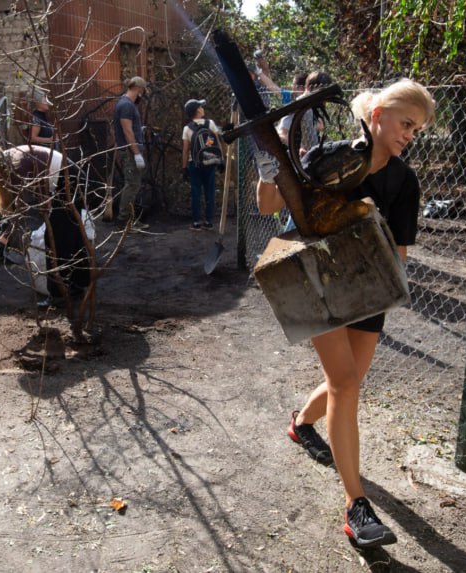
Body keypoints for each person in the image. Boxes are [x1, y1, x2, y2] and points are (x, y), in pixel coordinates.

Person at [256, 79, 435, 548]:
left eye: (416, 130)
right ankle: (357, 506)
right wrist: (266, 164)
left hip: (368, 287)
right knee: (345, 383)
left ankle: (301, 425)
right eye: (406, 124)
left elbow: (399, 250)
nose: (409, 136)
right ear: (378, 115)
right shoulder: (328, 155)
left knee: (349, 379)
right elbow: (269, 204)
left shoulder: (403, 181)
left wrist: (391, 291)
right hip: (313, 281)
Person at [0, 143, 90, 317]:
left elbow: (20, 213)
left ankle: (60, 295)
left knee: (56, 240)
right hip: (65, 179)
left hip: (69, 179)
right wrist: (3, 239)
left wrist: (3, 241)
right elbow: (16, 210)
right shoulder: (8, 161)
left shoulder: (17, 166)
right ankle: (79, 284)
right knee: (70, 235)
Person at [112, 76, 150, 231]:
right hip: (130, 151)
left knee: (133, 185)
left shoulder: (125, 103)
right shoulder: (127, 105)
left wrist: (138, 131)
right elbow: (127, 131)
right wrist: (136, 153)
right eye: (142, 90)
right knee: (132, 185)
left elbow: (128, 129)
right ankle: (124, 222)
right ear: (139, 89)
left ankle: (129, 220)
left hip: (129, 149)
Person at [182, 99, 224, 231]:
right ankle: (209, 221)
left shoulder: (187, 128)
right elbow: (216, 142)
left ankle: (196, 222)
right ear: (198, 111)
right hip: (210, 162)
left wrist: (184, 168)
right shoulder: (210, 123)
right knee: (210, 191)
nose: (203, 108)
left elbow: (185, 150)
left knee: (195, 192)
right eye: (201, 106)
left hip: (194, 164)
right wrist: (221, 159)